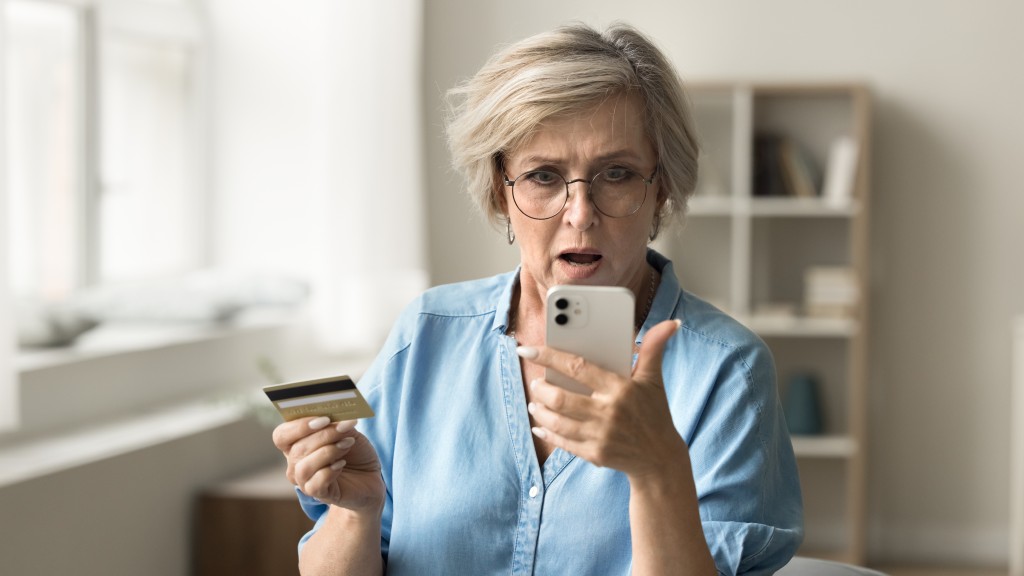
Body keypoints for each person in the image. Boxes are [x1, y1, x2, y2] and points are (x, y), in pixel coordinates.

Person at [272, 22, 803, 575]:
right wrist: (357, 512)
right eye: (544, 176)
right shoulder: (426, 331)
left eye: (616, 173)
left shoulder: (726, 371)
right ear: (502, 191)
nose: (579, 213)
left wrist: (657, 471)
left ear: (660, 187)